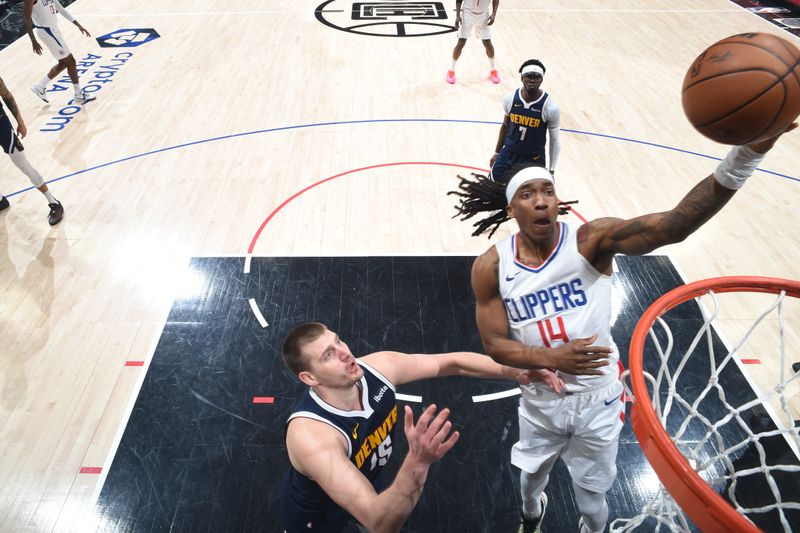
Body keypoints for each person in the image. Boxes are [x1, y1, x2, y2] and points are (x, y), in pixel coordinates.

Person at [450, 123, 795, 533]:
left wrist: (748, 153)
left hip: (598, 399)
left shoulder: (590, 241)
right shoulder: (491, 265)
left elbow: (674, 225)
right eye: (528, 195)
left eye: (548, 191)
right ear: (512, 210)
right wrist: (550, 358)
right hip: (541, 395)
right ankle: (531, 514)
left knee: (593, 499)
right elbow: (494, 344)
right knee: (529, 481)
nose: (541, 202)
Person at [281, 321, 572, 533]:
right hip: (317, 515)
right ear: (310, 378)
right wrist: (418, 461)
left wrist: (516, 370)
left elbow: (452, 362)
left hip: (366, 475)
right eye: (328, 355)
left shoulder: (377, 369)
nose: (345, 352)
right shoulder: (311, 436)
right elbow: (379, 523)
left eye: (338, 341)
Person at [0, 76, 63, 225]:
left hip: (1, 125)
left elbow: (7, 96)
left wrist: (20, 122)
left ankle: (54, 202)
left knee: (24, 166)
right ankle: (1, 201)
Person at [490, 59, 560, 184]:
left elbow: (554, 140)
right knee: (491, 189)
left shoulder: (550, 107)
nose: (532, 80)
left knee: (528, 198)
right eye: (528, 76)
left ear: (541, 79)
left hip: (533, 159)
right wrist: (496, 152)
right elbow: (505, 126)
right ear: (522, 78)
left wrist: (552, 171)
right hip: (508, 154)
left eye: (536, 77)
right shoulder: (510, 98)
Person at [23, 0, 96, 105]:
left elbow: (61, 9)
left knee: (64, 62)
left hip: (54, 29)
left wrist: (78, 25)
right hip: (46, 31)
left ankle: (40, 86)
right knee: (71, 61)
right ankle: (78, 94)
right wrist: (33, 40)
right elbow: (26, 18)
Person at [446, 0, 500, 84]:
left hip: (483, 14)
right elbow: (459, 0)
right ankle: (451, 71)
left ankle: (493, 71)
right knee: (461, 43)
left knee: (487, 43)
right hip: (467, 14)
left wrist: (494, 14)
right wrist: (457, 16)